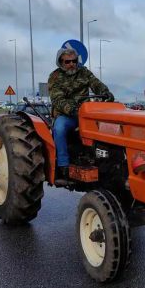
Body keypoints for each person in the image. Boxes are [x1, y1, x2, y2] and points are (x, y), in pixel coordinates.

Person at [49, 47, 114, 185]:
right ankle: (63, 165)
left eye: (74, 61)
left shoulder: (84, 72)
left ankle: (106, 163)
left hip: (86, 113)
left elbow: (96, 84)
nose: (71, 64)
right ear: (61, 62)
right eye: (67, 62)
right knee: (59, 129)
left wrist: (106, 92)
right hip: (67, 115)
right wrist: (72, 110)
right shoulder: (55, 77)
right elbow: (57, 100)